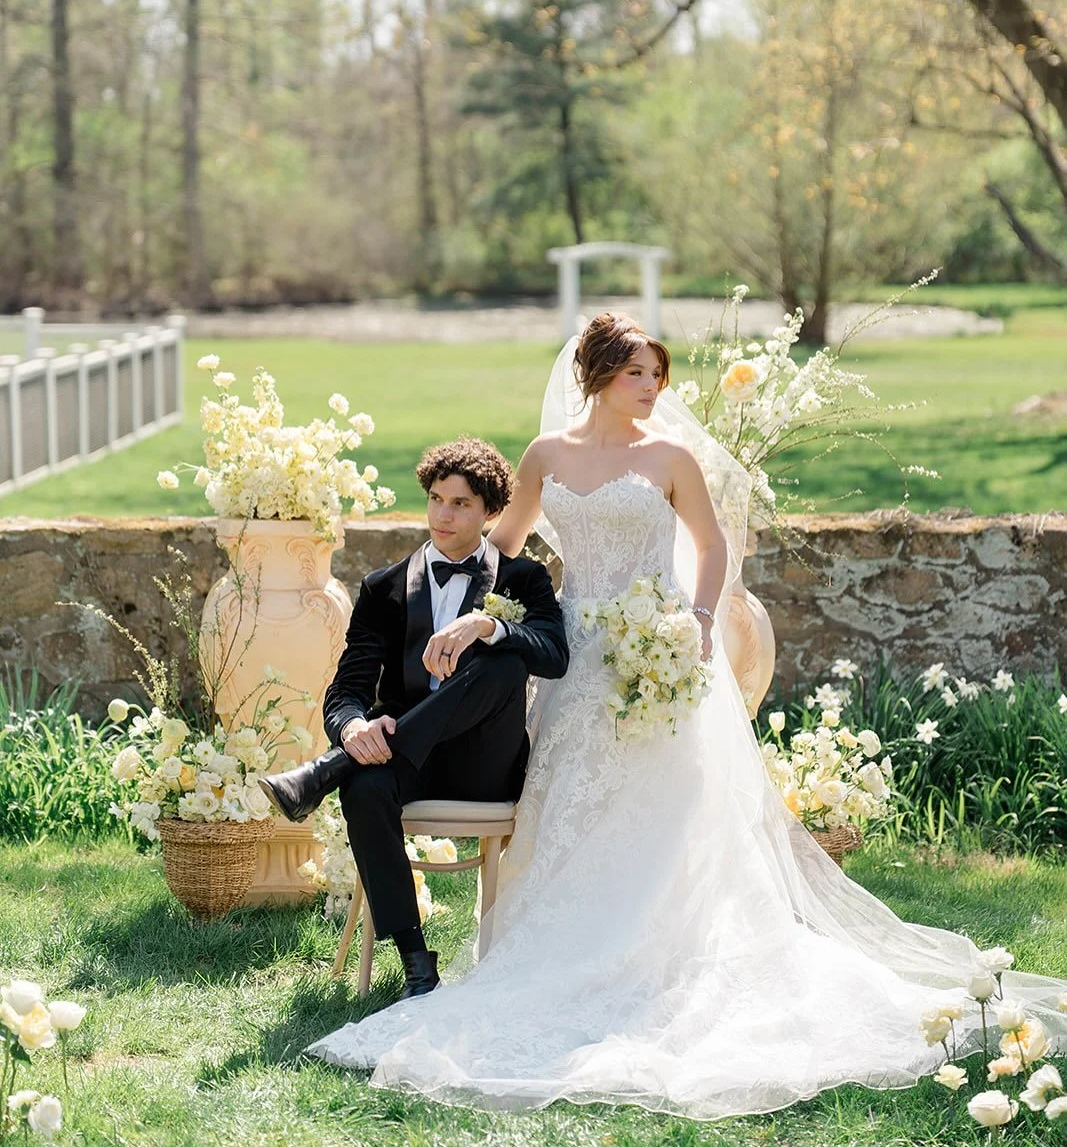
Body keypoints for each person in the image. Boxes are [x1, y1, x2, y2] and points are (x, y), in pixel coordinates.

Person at [306, 313, 1067, 1120]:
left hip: (657, 646)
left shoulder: (671, 458)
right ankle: (565, 949)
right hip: (577, 654)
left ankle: (667, 954)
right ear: (597, 373)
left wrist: (697, 618)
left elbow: (708, 545)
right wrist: (480, 618)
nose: (653, 388)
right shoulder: (545, 457)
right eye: (638, 373)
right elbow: (506, 551)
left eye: (658, 376)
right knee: (574, 800)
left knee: (667, 808)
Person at [260, 437, 568, 1000]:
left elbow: (555, 655)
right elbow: (348, 688)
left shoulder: (522, 579)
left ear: (491, 513)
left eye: (461, 504)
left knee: (503, 665)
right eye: (436, 499)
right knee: (368, 787)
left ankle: (327, 770)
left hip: (484, 764)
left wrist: (487, 626)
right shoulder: (383, 588)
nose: (444, 515)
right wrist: (353, 729)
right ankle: (415, 962)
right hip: (407, 763)